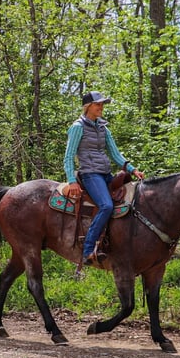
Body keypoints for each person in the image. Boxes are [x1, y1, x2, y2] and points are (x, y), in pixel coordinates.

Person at [63, 91, 144, 267]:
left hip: (106, 173)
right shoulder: (77, 127)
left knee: (133, 200)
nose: (101, 107)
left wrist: (132, 169)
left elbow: (115, 154)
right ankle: (88, 249)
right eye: (97, 104)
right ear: (88, 107)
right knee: (106, 205)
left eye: (102, 104)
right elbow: (69, 156)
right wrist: (71, 180)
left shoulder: (102, 127)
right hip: (90, 174)